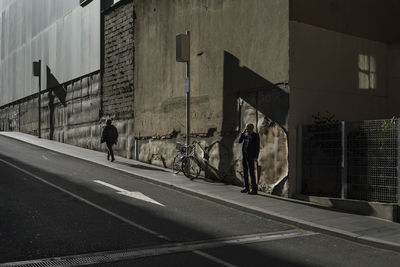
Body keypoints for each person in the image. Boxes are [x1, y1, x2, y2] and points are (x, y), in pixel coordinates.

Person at [239, 123, 260, 194]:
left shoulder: (255, 135)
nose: (247, 129)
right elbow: (240, 141)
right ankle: (246, 188)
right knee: (245, 172)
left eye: (248, 128)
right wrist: (242, 133)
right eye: (246, 128)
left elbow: (257, 147)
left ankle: (254, 189)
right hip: (244, 156)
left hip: (251, 156)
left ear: (252, 128)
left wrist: (256, 157)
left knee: (251, 173)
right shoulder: (245, 135)